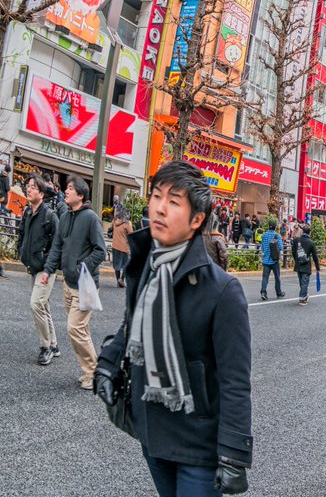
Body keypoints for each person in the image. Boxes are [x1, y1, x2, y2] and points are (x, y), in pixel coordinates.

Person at [95, 160, 253, 496]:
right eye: (156, 196)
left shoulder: (223, 290)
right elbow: (131, 324)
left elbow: (235, 380)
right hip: (152, 430)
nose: (160, 209)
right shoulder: (147, 265)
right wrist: (107, 364)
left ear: (196, 220)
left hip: (198, 443)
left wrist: (234, 454)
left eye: (174, 201)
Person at [41, 175, 106, 389]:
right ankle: (90, 373)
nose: (65, 191)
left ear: (80, 194)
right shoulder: (66, 217)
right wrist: (48, 270)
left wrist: (81, 266)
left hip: (84, 286)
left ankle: (94, 373)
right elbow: (57, 247)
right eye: (66, 188)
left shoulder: (91, 218)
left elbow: (100, 251)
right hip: (67, 283)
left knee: (74, 328)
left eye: (69, 188)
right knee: (80, 330)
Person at [18, 175, 60, 366]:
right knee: (43, 306)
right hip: (33, 266)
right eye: (28, 186)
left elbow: (58, 244)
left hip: (46, 269)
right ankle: (54, 344)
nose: (29, 189)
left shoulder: (50, 216)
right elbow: (21, 234)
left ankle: (46, 347)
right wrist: (21, 252)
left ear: (42, 194)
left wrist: (47, 266)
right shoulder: (27, 212)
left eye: (33, 187)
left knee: (36, 303)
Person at [292, 224, 320, 305]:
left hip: (298, 264)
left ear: (303, 231)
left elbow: (293, 252)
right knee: (304, 282)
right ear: (309, 232)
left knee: (301, 282)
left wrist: (296, 260)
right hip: (306, 265)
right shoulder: (311, 243)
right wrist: (317, 267)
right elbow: (315, 256)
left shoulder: (296, 240)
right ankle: (302, 299)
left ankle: (305, 295)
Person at [258, 219, 283, 301]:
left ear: (269, 226)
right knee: (277, 277)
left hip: (266, 260)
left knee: (265, 277)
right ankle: (279, 293)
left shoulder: (264, 235)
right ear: (275, 227)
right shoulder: (277, 236)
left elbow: (262, 247)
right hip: (274, 260)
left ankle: (263, 292)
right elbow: (280, 247)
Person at [110, 206, 133, 288]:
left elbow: (110, 228)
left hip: (115, 245)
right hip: (124, 247)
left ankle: (118, 280)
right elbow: (131, 234)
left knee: (117, 265)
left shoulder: (115, 220)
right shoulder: (128, 223)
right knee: (126, 264)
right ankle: (122, 280)